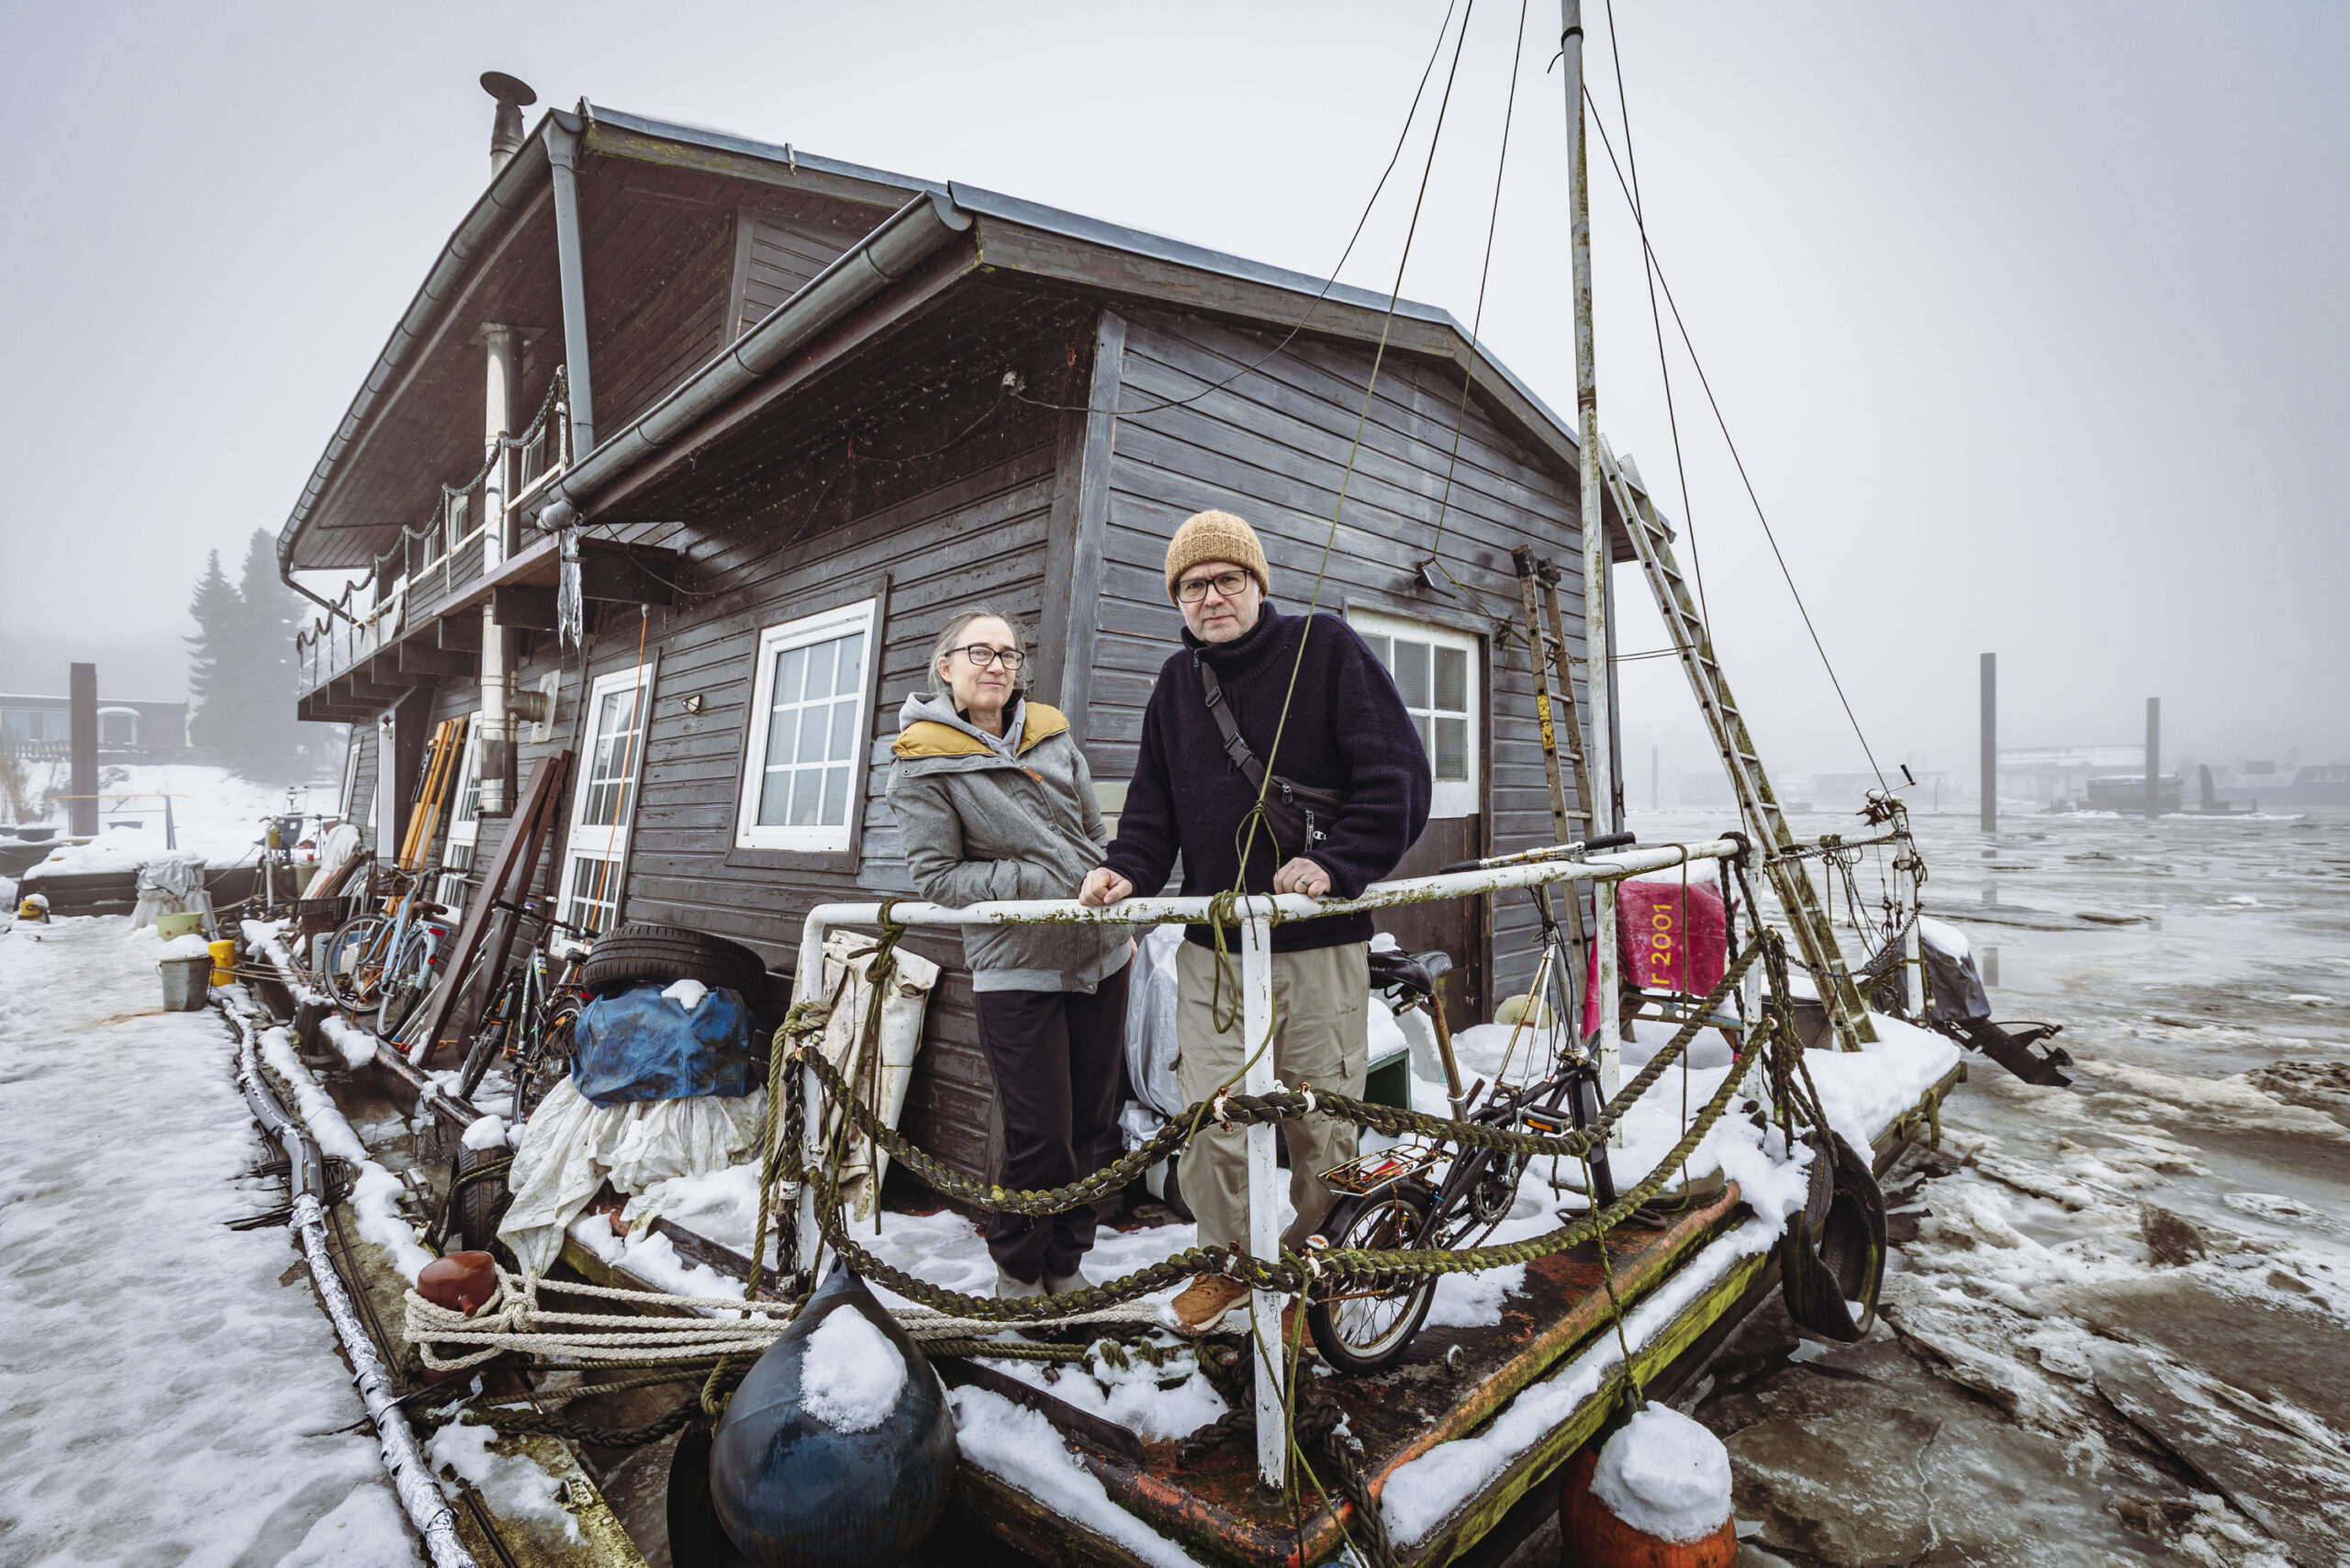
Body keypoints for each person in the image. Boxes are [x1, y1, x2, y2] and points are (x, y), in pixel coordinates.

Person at [1080, 510, 1430, 1332]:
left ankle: (1323, 1265)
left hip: (1315, 946)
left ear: (1257, 584)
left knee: (1324, 1121)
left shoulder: (1327, 648)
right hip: (1216, 952)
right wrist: (1124, 869)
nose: (1210, 598)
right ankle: (1230, 1263)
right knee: (1210, 1117)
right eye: (1192, 586)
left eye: (1226, 580)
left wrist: (1338, 866)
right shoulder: (1176, 684)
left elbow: (1398, 777)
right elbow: (1152, 810)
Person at [888, 606, 1131, 1298]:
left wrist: (1114, 906)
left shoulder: (1053, 735)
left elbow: (1094, 835)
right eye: (979, 653)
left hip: (1102, 957)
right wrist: (1041, 882)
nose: (997, 665)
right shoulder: (921, 763)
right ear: (946, 668)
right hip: (1016, 967)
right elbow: (938, 878)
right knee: (1041, 1134)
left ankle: (1067, 1264)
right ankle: (1020, 1273)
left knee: (1092, 1126)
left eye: (1008, 654)